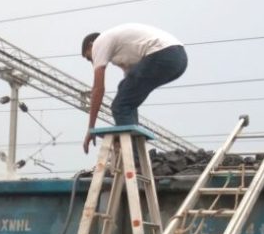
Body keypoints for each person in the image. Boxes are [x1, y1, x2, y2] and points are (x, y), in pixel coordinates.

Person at [80, 23, 189, 153]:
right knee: (125, 95)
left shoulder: (100, 42)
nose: (92, 62)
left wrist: (91, 127)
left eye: (89, 58)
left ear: (91, 45)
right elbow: (129, 86)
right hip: (179, 60)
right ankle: (133, 145)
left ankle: (133, 158)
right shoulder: (120, 52)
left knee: (119, 106)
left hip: (163, 54)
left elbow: (98, 88)